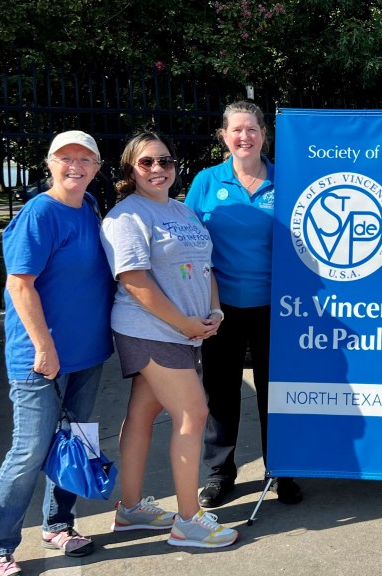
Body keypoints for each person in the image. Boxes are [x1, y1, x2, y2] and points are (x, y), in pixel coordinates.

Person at [0, 131, 114, 576]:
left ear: (97, 167)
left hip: (87, 353)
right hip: (42, 357)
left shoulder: (91, 208)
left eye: (85, 159)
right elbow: (19, 284)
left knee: (75, 444)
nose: (75, 166)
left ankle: (59, 525)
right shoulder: (40, 213)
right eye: (65, 158)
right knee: (30, 449)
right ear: (49, 163)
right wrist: (44, 347)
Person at [100, 130, 237, 549]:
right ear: (130, 170)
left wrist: (213, 311)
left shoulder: (182, 212)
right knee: (193, 414)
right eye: (147, 162)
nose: (158, 169)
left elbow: (206, 267)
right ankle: (189, 521)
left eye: (165, 161)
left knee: (142, 415)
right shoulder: (126, 217)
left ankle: (130, 510)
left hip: (184, 332)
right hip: (151, 332)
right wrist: (184, 324)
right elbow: (135, 281)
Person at [185, 101, 301, 508]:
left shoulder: (287, 179)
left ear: (264, 134)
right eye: (236, 130)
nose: (244, 137)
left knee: (278, 390)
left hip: (278, 305)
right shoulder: (206, 181)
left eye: (251, 129)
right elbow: (188, 241)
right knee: (220, 390)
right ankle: (221, 471)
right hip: (219, 306)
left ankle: (283, 468)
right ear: (224, 136)